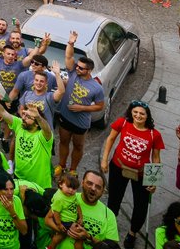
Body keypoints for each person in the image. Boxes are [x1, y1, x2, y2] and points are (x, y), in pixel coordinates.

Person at [101, 100, 164, 248]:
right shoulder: (123, 122)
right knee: (114, 198)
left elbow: (155, 158)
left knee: (141, 205)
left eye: (142, 113)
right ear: (131, 112)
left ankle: (132, 233)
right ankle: (110, 223)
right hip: (118, 167)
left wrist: (154, 180)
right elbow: (110, 139)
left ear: (147, 116)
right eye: (135, 112)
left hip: (141, 173)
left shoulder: (154, 134)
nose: (138, 115)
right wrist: (104, 159)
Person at [56, 45, 104, 176]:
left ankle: (72, 169)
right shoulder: (73, 73)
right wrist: (71, 44)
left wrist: (82, 108)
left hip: (81, 122)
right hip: (65, 116)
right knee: (64, 141)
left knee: (78, 146)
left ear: (89, 71)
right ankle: (61, 165)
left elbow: (100, 106)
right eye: (77, 66)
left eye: (81, 68)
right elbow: (69, 56)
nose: (77, 68)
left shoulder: (96, 87)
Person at [54, 170, 118, 249]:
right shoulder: (66, 196)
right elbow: (47, 220)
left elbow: (112, 247)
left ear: (103, 191)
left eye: (98, 187)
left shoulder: (109, 215)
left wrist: (88, 237)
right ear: (82, 183)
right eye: (89, 183)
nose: (93, 188)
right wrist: (65, 230)